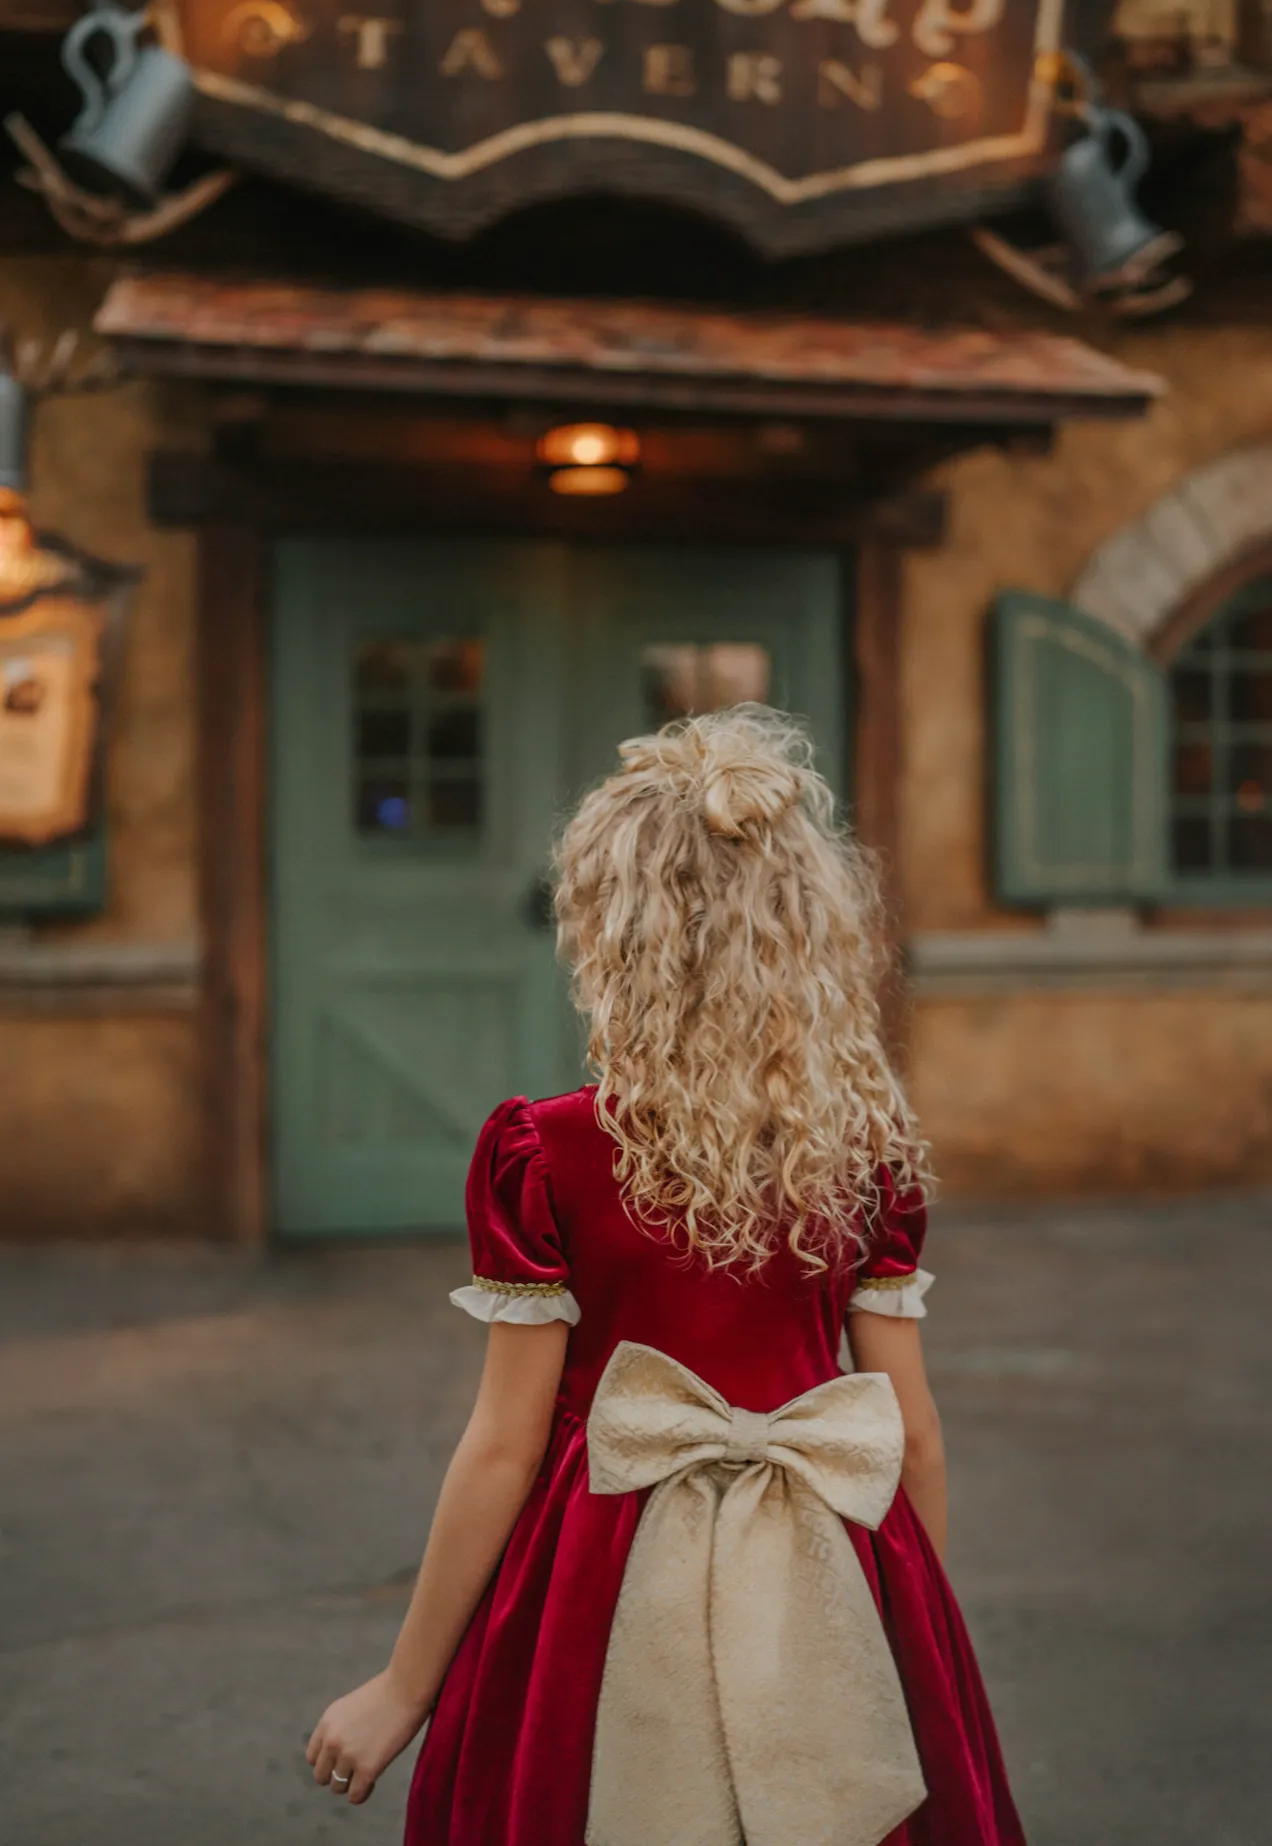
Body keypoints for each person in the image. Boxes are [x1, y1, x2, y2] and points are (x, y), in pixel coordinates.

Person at [306, 704, 1026, 1846]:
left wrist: (403, 1686)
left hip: (592, 1567)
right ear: (805, 929)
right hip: (830, 1546)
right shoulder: (865, 1152)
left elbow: (505, 1440)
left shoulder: (546, 1150)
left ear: (614, 933)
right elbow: (911, 1430)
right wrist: (909, 1631)